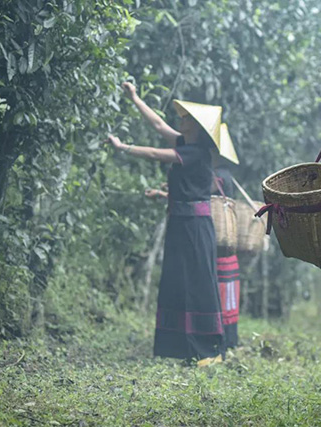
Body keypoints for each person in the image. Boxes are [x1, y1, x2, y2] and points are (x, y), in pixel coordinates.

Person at [107, 81, 226, 363]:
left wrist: (122, 147)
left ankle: (209, 349)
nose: (180, 120)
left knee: (198, 283)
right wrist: (135, 98)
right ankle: (182, 346)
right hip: (181, 224)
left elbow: (153, 153)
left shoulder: (196, 153)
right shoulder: (186, 143)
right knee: (179, 281)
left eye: (186, 118)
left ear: (197, 126)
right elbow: (159, 126)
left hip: (196, 228)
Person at [212, 123, 242, 350]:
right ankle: (231, 340)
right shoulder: (225, 174)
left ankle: (223, 340)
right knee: (228, 294)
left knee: (221, 293)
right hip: (228, 249)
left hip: (219, 245)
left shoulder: (218, 176)